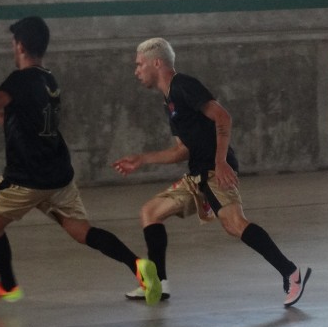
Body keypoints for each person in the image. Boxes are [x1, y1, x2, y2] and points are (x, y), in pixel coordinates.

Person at [0, 15, 162, 305]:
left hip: (28, 177)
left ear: (21, 46)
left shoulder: (20, 79)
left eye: (13, 44)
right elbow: (22, 121)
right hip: (58, 175)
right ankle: (138, 266)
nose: (13, 48)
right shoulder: (47, 79)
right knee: (82, 231)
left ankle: (9, 285)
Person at [111, 37, 310, 308]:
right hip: (198, 175)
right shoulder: (168, 101)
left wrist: (220, 162)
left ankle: (291, 273)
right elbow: (181, 150)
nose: (136, 71)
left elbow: (223, 116)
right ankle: (160, 284)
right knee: (150, 212)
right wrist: (142, 159)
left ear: (156, 63)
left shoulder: (183, 86)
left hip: (215, 170)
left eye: (139, 65)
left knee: (235, 224)